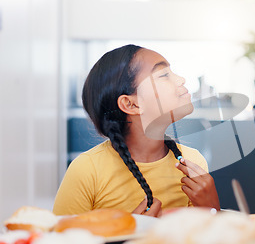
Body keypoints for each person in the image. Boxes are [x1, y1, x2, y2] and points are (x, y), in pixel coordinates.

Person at [53, 45, 220, 217]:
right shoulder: (86, 170)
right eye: (164, 75)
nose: (181, 79)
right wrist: (132, 233)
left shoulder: (193, 162)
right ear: (131, 104)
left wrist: (212, 208)